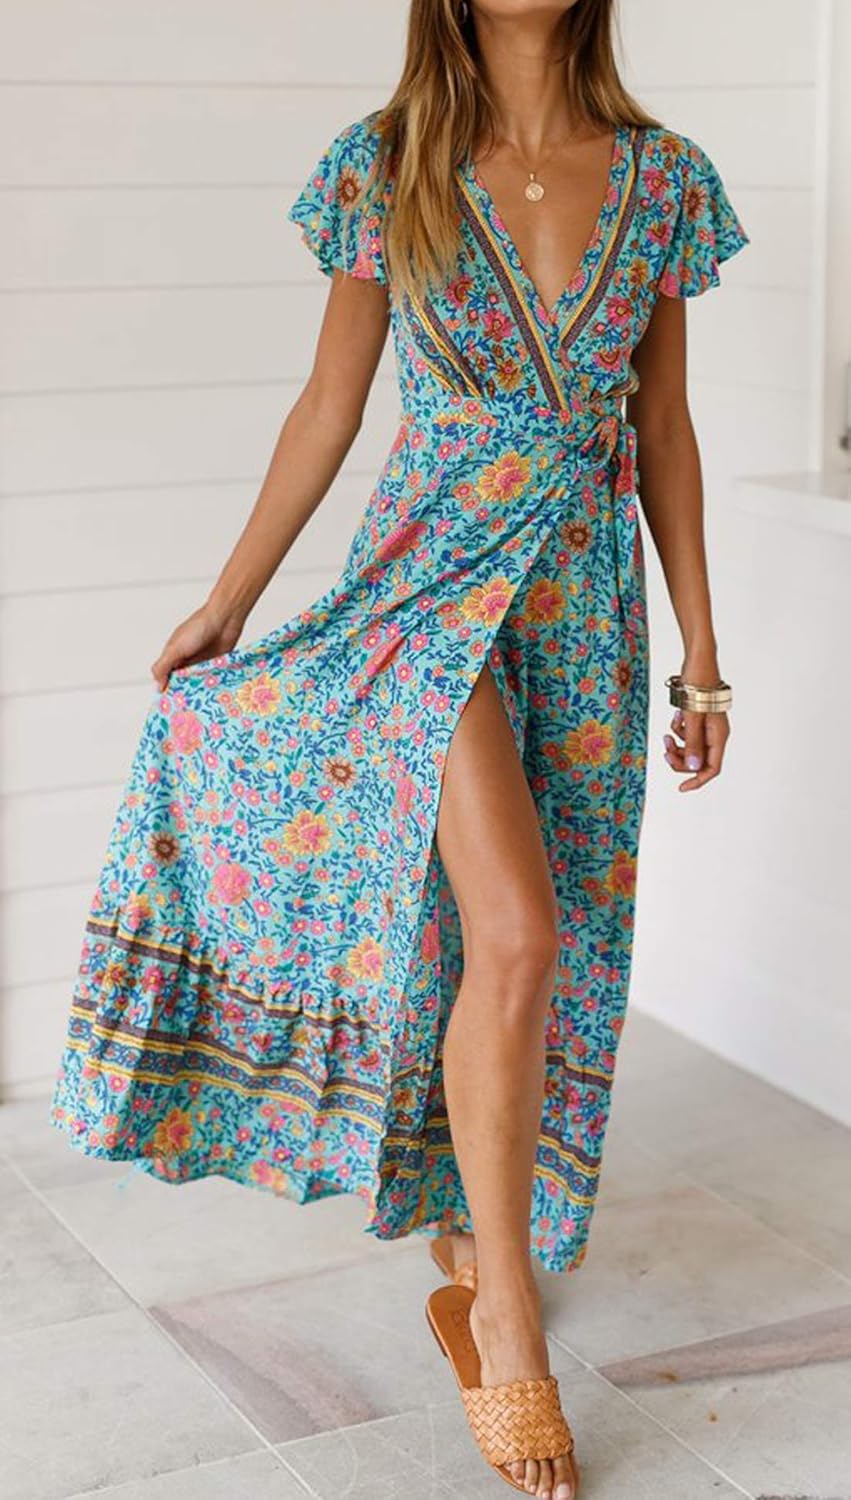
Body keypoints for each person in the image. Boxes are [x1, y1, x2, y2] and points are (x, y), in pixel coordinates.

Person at [49, 2, 747, 1494]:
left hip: (585, 598)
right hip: (424, 588)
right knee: (516, 930)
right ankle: (505, 1319)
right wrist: (229, 600)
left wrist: (703, 651)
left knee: (540, 943)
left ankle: (473, 1219)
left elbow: (667, 430)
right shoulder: (388, 165)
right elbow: (331, 400)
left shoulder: (666, 177)